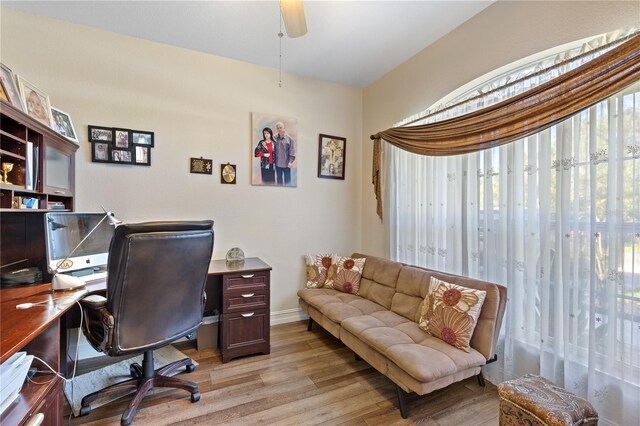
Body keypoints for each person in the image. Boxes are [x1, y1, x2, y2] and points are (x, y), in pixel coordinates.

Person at [274, 121, 295, 186]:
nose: (279, 129)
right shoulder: (274, 138)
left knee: (287, 183)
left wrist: (290, 162)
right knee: (279, 183)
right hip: (277, 164)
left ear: (284, 128)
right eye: (278, 128)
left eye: (280, 127)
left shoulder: (290, 139)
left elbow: (292, 152)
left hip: (286, 165)